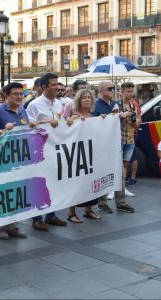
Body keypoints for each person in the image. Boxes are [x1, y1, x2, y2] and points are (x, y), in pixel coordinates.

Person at [26, 72, 67, 231]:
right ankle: (36, 218)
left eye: (58, 84)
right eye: (53, 84)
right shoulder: (34, 105)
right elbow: (28, 125)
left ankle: (51, 215)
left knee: (53, 182)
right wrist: (44, 122)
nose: (57, 87)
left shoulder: (58, 103)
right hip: (38, 151)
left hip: (54, 149)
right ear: (44, 87)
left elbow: (61, 122)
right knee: (39, 184)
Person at [0, 82, 28, 240]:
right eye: (15, 94)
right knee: (3, 193)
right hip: (3, 161)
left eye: (21, 94)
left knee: (17, 193)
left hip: (20, 159)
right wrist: (3, 130)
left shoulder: (23, 110)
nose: (19, 97)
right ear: (6, 95)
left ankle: (13, 225)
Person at [93, 80, 135, 213]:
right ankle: (102, 202)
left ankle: (121, 202)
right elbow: (91, 123)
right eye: (109, 88)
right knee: (104, 173)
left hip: (117, 143)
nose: (113, 90)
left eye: (113, 88)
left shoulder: (116, 104)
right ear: (101, 91)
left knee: (120, 172)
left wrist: (125, 116)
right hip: (103, 145)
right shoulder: (96, 105)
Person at [66, 89, 102, 223]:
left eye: (89, 97)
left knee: (90, 182)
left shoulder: (93, 117)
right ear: (78, 100)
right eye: (84, 97)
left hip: (91, 153)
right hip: (77, 154)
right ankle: (71, 213)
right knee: (75, 183)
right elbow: (67, 126)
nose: (87, 99)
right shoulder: (75, 116)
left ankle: (89, 209)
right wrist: (70, 121)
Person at [118, 82, 142, 198]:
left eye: (132, 91)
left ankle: (122, 188)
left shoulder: (133, 106)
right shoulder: (117, 105)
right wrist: (120, 116)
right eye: (128, 91)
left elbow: (137, 124)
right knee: (117, 165)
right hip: (119, 139)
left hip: (130, 138)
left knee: (125, 165)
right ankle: (114, 189)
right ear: (121, 92)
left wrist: (135, 121)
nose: (130, 94)